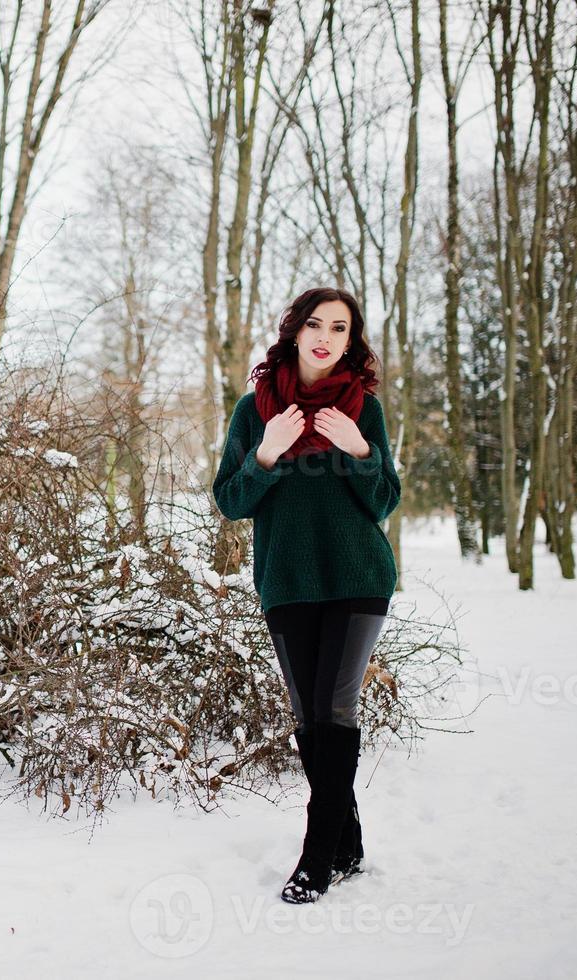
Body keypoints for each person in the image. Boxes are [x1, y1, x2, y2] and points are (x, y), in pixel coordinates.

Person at [210, 286, 401, 905]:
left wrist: (360, 450)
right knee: (308, 718)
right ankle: (348, 841)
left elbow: (384, 499)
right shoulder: (253, 410)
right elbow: (232, 502)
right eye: (315, 324)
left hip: (357, 578)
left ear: (352, 340)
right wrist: (265, 452)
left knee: (334, 711)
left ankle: (316, 859)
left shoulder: (361, 408)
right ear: (294, 332)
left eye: (340, 328)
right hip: (287, 581)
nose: (326, 337)